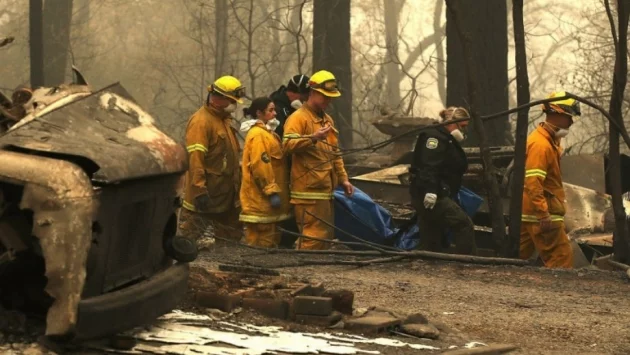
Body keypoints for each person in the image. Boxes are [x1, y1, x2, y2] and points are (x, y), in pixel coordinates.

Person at [282, 70, 354, 250]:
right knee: (311, 238)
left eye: (331, 97)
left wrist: (343, 179)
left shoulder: (326, 119)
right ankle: (302, 274)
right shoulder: (298, 118)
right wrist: (312, 138)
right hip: (307, 192)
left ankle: (314, 273)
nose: (328, 101)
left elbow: (334, 153)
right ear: (312, 92)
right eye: (324, 96)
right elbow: (287, 145)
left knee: (324, 237)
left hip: (325, 189)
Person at [179, 75, 245, 243]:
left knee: (230, 243)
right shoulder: (201, 122)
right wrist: (200, 190)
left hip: (226, 197)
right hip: (205, 197)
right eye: (231, 100)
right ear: (217, 98)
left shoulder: (223, 121)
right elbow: (196, 159)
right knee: (186, 242)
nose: (234, 104)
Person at [520, 91, 581, 268]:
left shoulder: (549, 142)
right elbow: (533, 182)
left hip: (531, 213)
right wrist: (543, 214)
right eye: (569, 117)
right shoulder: (541, 145)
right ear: (556, 114)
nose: (571, 122)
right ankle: (559, 296)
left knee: (515, 260)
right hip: (543, 215)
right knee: (561, 261)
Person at [408, 106, 476, 255]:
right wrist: (431, 191)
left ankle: (427, 261)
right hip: (431, 193)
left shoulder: (446, 138)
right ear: (452, 122)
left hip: (436, 192)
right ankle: (466, 262)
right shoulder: (435, 138)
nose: (464, 131)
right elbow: (429, 166)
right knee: (463, 224)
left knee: (432, 233)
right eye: (462, 127)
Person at [238, 97, 291, 247]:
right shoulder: (258, 135)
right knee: (261, 243)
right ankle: (253, 269)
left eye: (275, 109)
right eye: (271, 110)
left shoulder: (268, 134)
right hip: (261, 202)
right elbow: (260, 165)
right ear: (259, 113)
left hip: (267, 205)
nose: (275, 113)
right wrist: (271, 191)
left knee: (271, 241)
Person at [269, 75, 309, 247]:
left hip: (291, 167)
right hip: (278, 168)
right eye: (302, 97)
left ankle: (283, 243)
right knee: (283, 212)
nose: (304, 101)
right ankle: (278, 244)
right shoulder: (278, 109)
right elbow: (281, 141)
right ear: (292, 93)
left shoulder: (293, 110)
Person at [269, 74, 310, 138]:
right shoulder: (277, 108)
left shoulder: (292, 107)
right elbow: (281, 135)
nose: (305, 101)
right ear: (294, 92)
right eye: (304, 97)